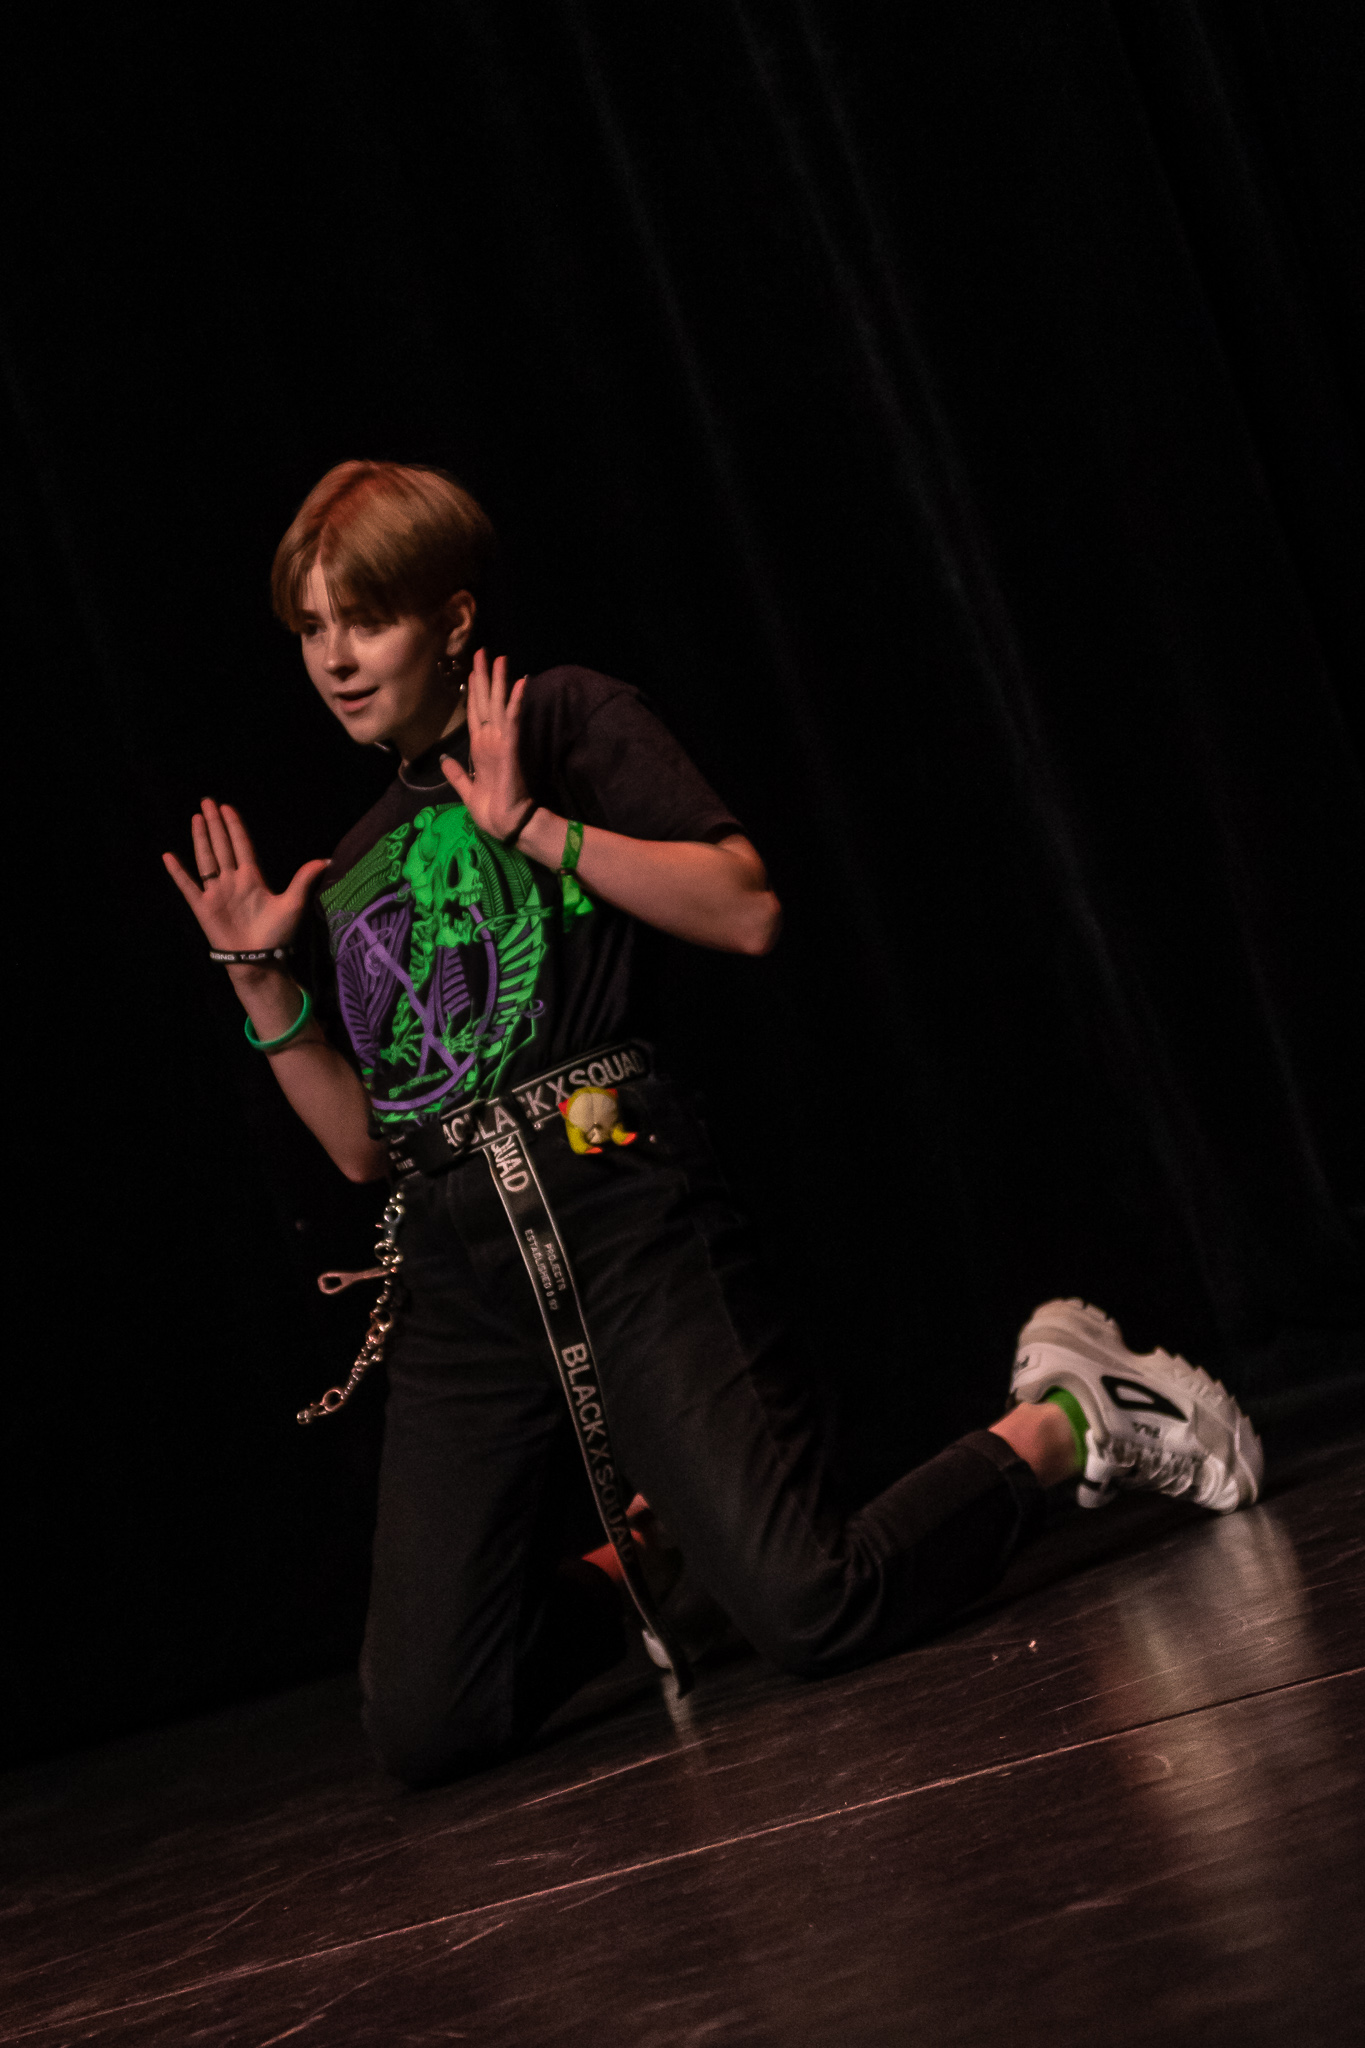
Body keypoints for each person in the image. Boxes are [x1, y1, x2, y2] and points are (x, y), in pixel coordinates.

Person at [165, 460, 1265, 1788]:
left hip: (619, 1212)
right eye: (311, 630)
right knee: (425, 1722)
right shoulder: (351, 867)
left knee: (815, 1609)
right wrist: (262, 984)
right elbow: (361, 1147)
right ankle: (665, 1562)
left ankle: (1070, 1418)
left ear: (451, 621)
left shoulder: (564, 719)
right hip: (464, 1281)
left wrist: (532, 826)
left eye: (367, 620)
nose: (336, 659)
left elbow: (745, 909)